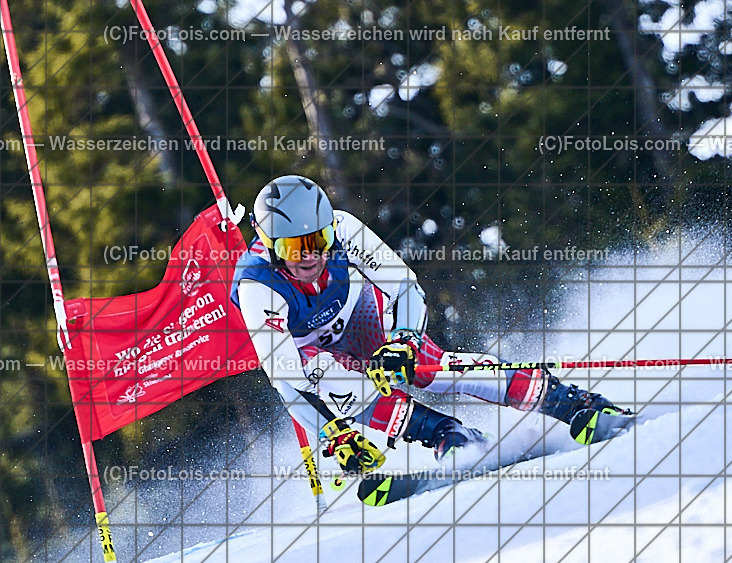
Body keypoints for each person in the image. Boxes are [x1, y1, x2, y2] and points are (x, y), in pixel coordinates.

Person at [231, 175, 628, 475]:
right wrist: (332, 431)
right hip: (316, 354)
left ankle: (566, 400)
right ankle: (447, 435)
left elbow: (403, 288)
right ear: (268, 246)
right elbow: (286, 378)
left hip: (361, 315)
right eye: (293, 248)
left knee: (426, 368)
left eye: (318, 240)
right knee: (330, 379)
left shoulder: (345, 230)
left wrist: (404, 340)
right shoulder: (257, 287)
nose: (310, 256)